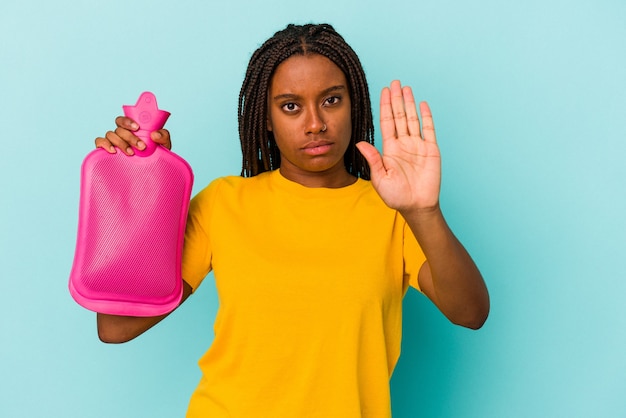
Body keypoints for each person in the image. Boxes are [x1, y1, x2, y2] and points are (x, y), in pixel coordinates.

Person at [94, 23, 489, 418]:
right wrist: (144, 190)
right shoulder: (224, 204)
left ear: (355, 105)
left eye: (332, 100)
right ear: (266, 119)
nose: (315, 122)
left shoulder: (393, 212)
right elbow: (116, 327)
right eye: (290, 106)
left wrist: (423, 211)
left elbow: (470, 313)